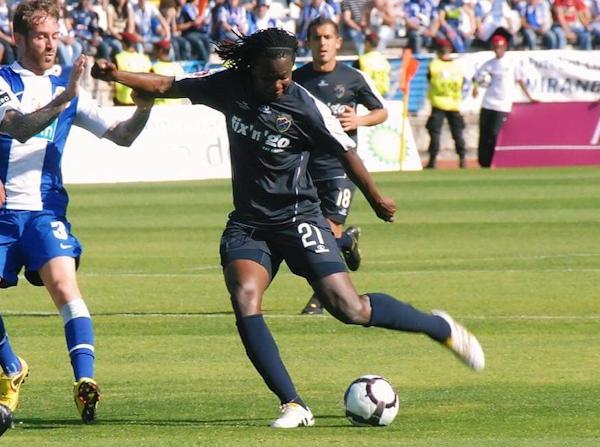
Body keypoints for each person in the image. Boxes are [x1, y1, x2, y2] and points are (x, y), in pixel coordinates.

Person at [91, 27, 485, 429]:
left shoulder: (303, 105)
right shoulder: (228, 86)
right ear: (251, 70)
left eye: (286, 76)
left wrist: (376, 197)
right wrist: (114, 76)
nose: (281, 84)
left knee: (350, 309)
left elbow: (345, 150)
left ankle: (438, 326)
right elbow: (166, 85)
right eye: (272, 77)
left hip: (299, 219)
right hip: (249, 223)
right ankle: (293, 404)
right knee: (245, 296)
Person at [0, 0, 154, 427]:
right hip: (3, 213)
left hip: (46, 210)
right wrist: (64, 97)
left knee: (65, 288)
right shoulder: (3, 82)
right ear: (18, 38)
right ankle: (12, 368)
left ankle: (84, 383)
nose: (51, 45)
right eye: (41, 36)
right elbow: (16, 127)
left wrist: (145, 106)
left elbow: (120, 136)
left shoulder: (71, 93)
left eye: (55, 35)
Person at [294, 17, 388, 315]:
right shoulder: (296, 80)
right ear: (307, 43)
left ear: (337, 42)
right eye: (316, 38)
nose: (322, 43)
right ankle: (348, 241)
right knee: (307, 231)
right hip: (305, 166)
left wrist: (358, 120)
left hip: (340, 167)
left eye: (327, 37)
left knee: (326, 228)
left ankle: (321, 297)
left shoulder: (352, 78)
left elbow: (381, 112)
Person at [472, 31, 536, 167]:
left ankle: (493, 160)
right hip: (488, 102)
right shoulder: (489, 64)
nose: (497, 50)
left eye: (500, 47)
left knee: (495, 134)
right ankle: (483, 162)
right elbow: (478, 78)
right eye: (495, 47)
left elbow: (520, 80)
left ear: (505, 47)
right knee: (484, 133)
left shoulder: (512, 63)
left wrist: (529, 97)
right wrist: (476, 87)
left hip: (502, 104)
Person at [425, 37, 467, 169]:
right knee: (457, 133)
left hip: (438, 103)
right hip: (454, 104)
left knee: (435, 133)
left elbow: (429, 80)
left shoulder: (434, 65)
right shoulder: (456, 66)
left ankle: (433, 160)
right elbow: (462, 84)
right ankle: (462, 159)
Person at [357, 31, 391, 97]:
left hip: (367, 95)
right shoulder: (384, 60)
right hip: (383, 95)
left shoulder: (362, 60)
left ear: (367, 44)